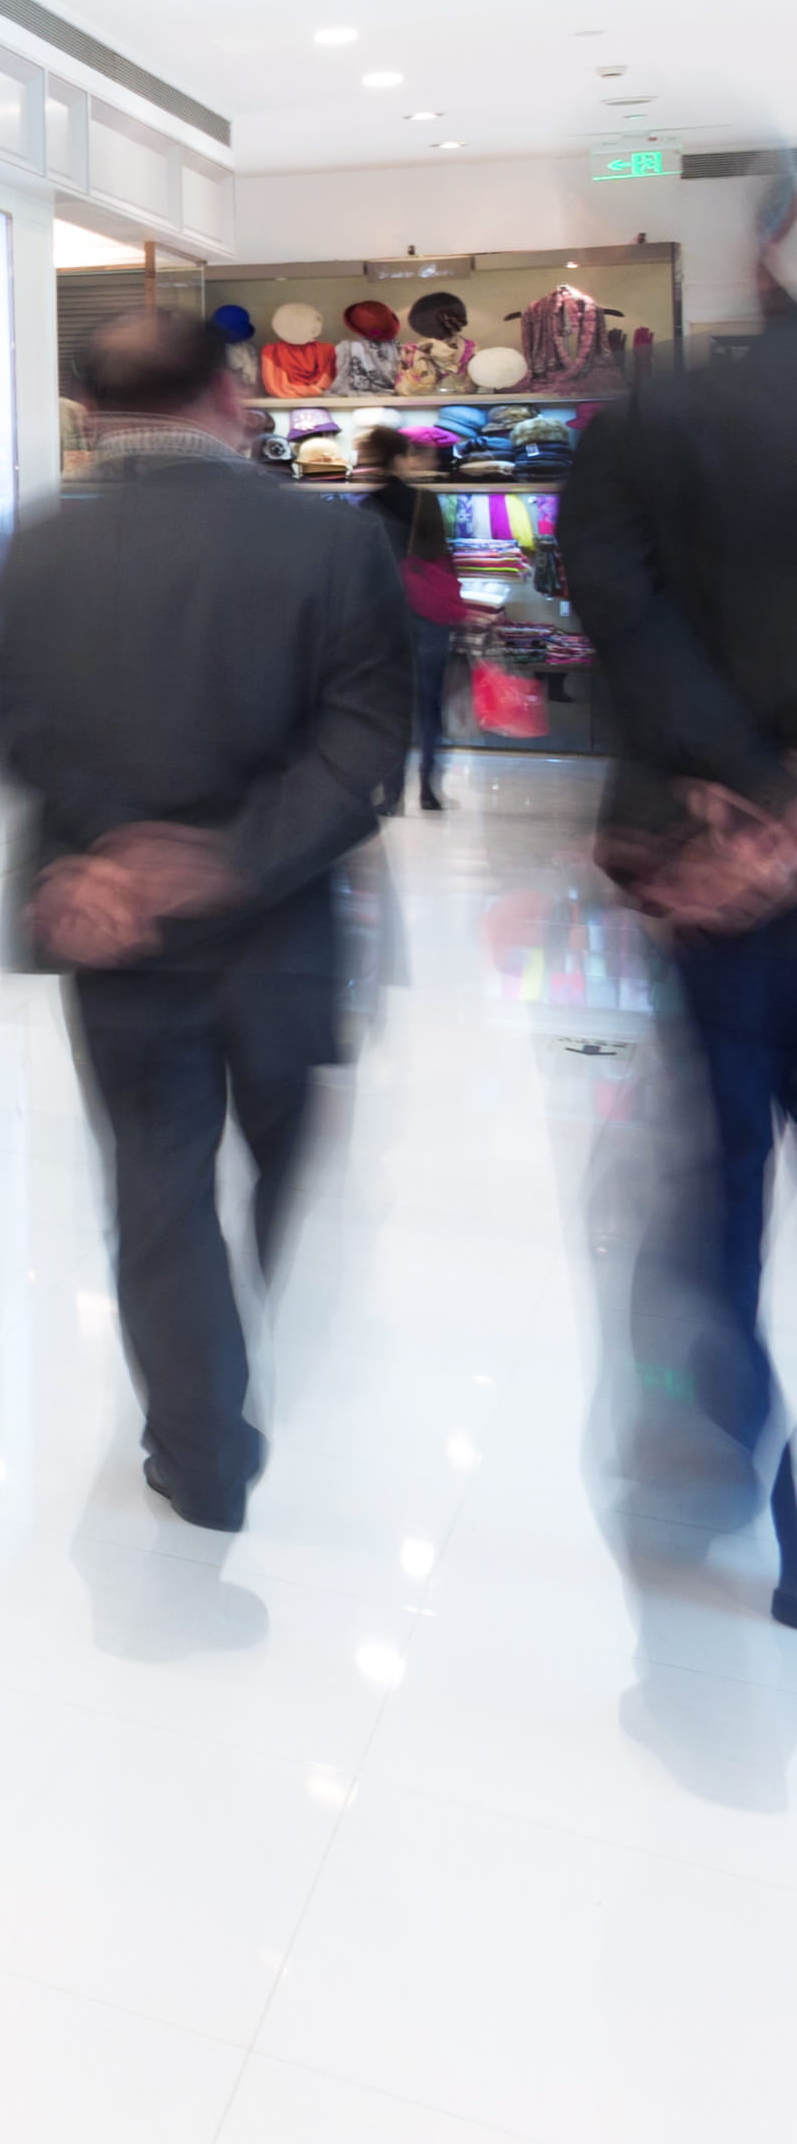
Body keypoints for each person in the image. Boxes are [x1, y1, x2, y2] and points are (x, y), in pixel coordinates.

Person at [0, 307, 405, 1531]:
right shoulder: (327, 541)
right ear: (227, 396)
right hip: (278, 924)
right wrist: (226, 859)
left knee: (157, 1180)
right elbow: (363, 746)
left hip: (105, 924)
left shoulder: (32, 547)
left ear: (88, 413)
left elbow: (13, 727)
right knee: (281, 1156)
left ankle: (198, 1444)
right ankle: (240, 1343)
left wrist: (104, 859)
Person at [556, 176, 797, 1624]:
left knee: (711, 1188)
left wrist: (743, 791)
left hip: (711, 873)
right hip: (726, 859)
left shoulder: (650, 425)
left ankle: (710, 1462)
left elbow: (619, 615)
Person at [356, 425, 464, 813]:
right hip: (427, 615)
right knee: (430, 703)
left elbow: (361, 570)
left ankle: (391, 793)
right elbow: (439, 554)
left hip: (384, 618)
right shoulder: (425, 501)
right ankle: (429, 789)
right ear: (401, 457)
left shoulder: (364, 508)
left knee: (391, 706)